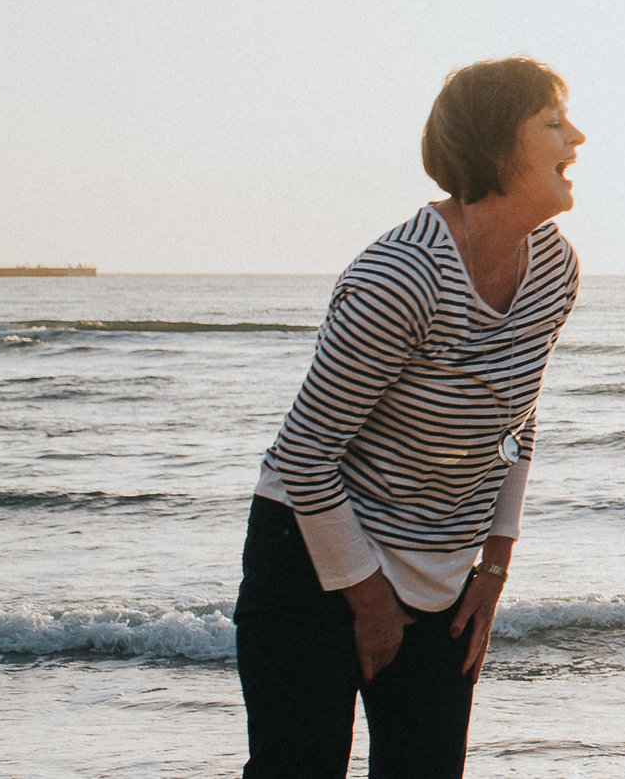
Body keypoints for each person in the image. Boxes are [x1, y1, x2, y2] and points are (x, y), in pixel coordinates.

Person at [235, 57, 585, 778]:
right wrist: (366, 596)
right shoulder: (402, 276)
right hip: (312, 555)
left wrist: (494, 562)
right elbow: (303, 455)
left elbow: (516, 421)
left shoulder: (554, 266)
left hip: (442, 568)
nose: (576, 137)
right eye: (552, 122)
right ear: (495, 142)